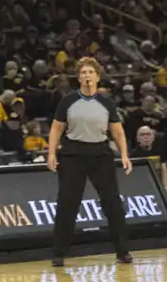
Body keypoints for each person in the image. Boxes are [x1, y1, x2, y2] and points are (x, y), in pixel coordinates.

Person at [47, 57, 132, 267]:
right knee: (67, 202)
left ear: (98, 77)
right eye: (83, 73)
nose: (87, 76)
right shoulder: (67, 101)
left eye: (90, 73)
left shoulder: (107, 103)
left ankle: (123, 251)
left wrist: (124, 155)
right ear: (78, 77)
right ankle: (59, 252)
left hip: (100, 153)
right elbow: (56, 128)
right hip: (73, 154)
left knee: (112, 203)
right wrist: (51, 154)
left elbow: (118, 132)